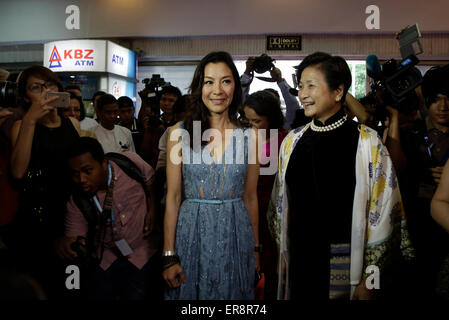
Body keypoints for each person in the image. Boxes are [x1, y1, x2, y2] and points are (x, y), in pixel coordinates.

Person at [268, 52, 414, 300]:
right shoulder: (292, 141)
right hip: (300, 259)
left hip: (345, 261)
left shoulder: (367, 142)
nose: (303, 94)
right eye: (301, 85)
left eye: (311, 85)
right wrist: (284, 253)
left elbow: (383, 210)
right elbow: (282, 206)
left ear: (338, 92)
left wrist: (370, 277)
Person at [163, 51, 260, 300]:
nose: (218, 90)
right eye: (209, 82)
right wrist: (169, 255)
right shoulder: (179, 133)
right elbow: (173, 198)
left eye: (226, 81)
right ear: (200, 87)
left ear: (236, 87)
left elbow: (250, 197)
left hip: (236, 235)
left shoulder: (251, 135)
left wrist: (256, 250)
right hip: (191, 234)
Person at [56, 137, 161, 300]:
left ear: (103, 163)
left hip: (144, 251)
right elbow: (75, 241)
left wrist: (153, 209)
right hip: (107, 259)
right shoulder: (76, 200)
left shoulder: (130, 163)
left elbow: (151, 181)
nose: (81, 179)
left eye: (87, 170)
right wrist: (69, 246)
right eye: (75, 174)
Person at [7, 65, 81, 298]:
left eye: (49, 85)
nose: (45, 91)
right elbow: (18, 172)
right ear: (26, 96)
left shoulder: (73, 124)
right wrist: (29, 120)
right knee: (39, 286)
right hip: (34, 221)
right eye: (36, 88)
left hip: (69, 217)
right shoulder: (22, 125)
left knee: (71, 286)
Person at [398, 65, 449, 299]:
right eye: (436, 99)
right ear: (426, 100)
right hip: (420, 230)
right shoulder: (411, 135)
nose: (443, 106)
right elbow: (397, 176)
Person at [243, 90, 287, 300]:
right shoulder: (241, 140)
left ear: (272, 118)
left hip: (275, 217)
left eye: (257, 121)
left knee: (272, 274)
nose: (251, 126)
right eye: (247, 120)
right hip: (246, 215)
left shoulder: (286, 141)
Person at [241, 57, 300, 130]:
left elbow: (292, 105)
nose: (266, 107)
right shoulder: (249, 125)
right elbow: (240, 101)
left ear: (278, 107)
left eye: (270, 103)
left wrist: (280, 80)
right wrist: (247, 73)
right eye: (263, 103)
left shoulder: (283, 127)